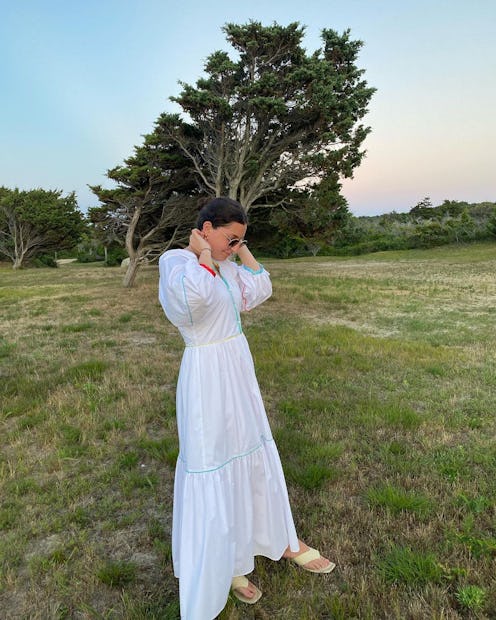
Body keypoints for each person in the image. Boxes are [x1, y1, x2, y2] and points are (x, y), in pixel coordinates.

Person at [158, 197, 335, 620]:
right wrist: (203, 252)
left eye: (240, 239)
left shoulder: (228, 262)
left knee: (252, 453)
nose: (232, 246)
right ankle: (231, 567)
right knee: (215, 463)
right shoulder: (176, 263)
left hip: (237, 370)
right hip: (205, 376)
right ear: (204, 227)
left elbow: (260, 288)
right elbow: (191, 302)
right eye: (229, 237)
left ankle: (284, 540)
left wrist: (237, 250)